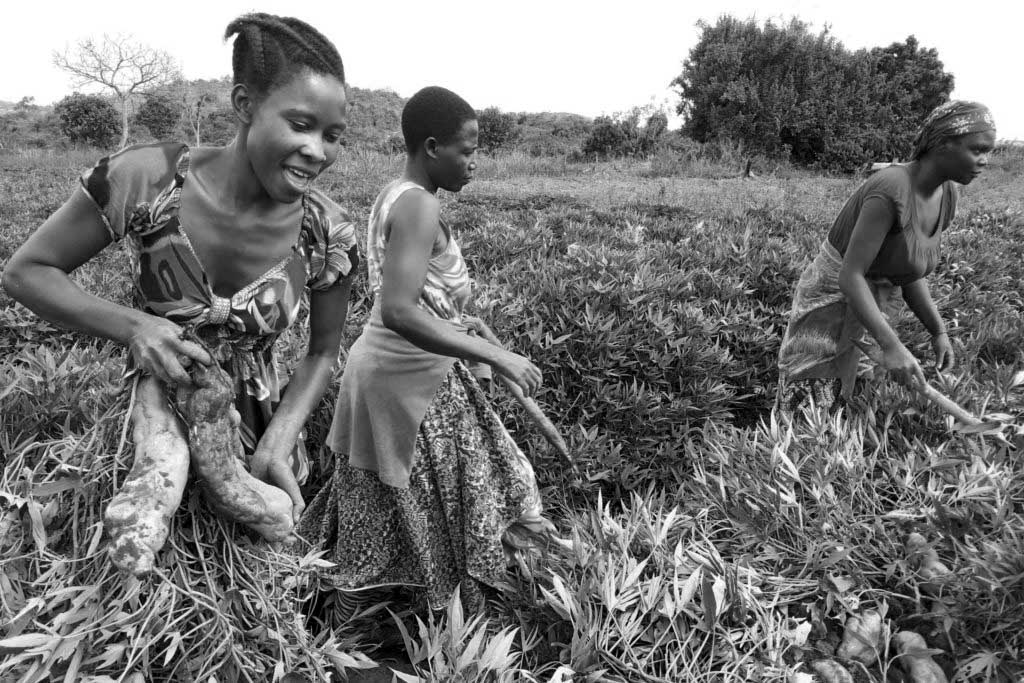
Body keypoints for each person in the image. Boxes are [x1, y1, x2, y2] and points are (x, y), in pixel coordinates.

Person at [2, 13, 358, 521]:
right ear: (244, 104)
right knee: (135, 554)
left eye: (333, 135)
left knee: (260, 585)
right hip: (150, 433)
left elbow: (324, 352)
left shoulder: (329, 231)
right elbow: (26, 271)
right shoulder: (148, 178)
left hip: (257, 455)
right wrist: (136, 327)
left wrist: (280, 439)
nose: (317, 151)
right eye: (301, 125)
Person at [298, 86, 557, 612]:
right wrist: (498, 357)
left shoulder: (397, 194)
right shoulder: (417, 207)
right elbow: (399, 308)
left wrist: (474, 330)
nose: (474, 164)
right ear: (433, 146)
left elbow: (421, 301)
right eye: (468, 151)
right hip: (412, 380)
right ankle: (460, 616)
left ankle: (370, 619)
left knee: (396, 504)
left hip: (384, 372)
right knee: (496, 489)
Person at [776, 100, 996, 412]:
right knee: (811, 393)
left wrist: (938, 331)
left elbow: (909, 270)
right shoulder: (890, 189)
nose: (985, 160)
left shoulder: (947, 193)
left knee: (858, 394)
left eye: (989, 152)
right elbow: (850, 277)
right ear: (943, 144)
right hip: (833, 300)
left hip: (875, 302)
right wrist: (892, 345)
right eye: (977, 149)